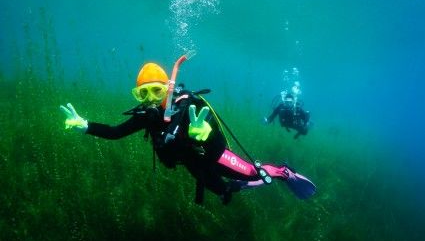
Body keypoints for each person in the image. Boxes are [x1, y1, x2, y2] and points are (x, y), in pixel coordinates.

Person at [60, 61, 315, 205]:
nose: (150, 100)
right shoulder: (148, 115)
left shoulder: (186, 106)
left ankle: (283, 172)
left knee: (249, 171)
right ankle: (246, 185)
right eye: (143, 94)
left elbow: (214, 137)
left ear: (167, 89)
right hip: (193, 162)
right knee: (225, 191)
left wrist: (203, 132)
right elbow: (116, 132)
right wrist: (86, 126)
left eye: (156, 92)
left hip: (214, 154)